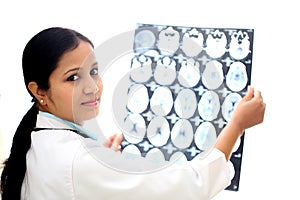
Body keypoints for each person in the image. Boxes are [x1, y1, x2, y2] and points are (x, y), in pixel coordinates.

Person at [0, 27, 265, 200]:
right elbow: (189, 187)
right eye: (73, 78)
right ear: (39, 91)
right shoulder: (79, 160)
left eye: (94, 71)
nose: (93, 87)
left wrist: (103, 165)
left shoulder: (40, 140)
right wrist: (237, 126)